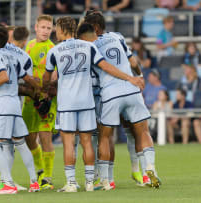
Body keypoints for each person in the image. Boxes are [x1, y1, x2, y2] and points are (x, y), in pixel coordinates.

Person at [43, 16, 144, 192]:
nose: (54, 32)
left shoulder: (55, 51)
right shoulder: (88, 46)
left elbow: (47, 77)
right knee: (87, 141)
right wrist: (130, 78)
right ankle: (90, 182)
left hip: (67, 103)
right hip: (86, 102)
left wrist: (44, 88)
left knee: (68, 142)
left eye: (56, 28)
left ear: (62, 29)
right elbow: (106, 66)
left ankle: (71, 183)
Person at [83, 13, 161, 189]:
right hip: (132, 90)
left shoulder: (89, 44)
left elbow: (100, 68)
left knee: (105, 136)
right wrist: (139, 76)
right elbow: (133, 62)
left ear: (94, 27)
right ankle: (150, 170)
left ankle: (106, 179)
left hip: (110, 93)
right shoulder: (117, 37)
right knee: (142, 131)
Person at [0, 26, 40, 195]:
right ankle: (34, 182)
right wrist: (40, 89)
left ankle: (7, 183)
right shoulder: (13, 54)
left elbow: (4, 77)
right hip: (14, 104)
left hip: (1, 104)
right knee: (20, 143)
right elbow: (26, 77)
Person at [22, 15, 57, 190]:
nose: (45, 31)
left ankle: (47, 177)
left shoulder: (52, 48)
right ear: (36, 27)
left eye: (48, 28)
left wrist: (48, 95)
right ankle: (40, 169)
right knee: (29, 137)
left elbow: (54, 76)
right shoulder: (28, 45)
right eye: (42, 27)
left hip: (45, 98)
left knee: (45, 136)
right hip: (29, 98)